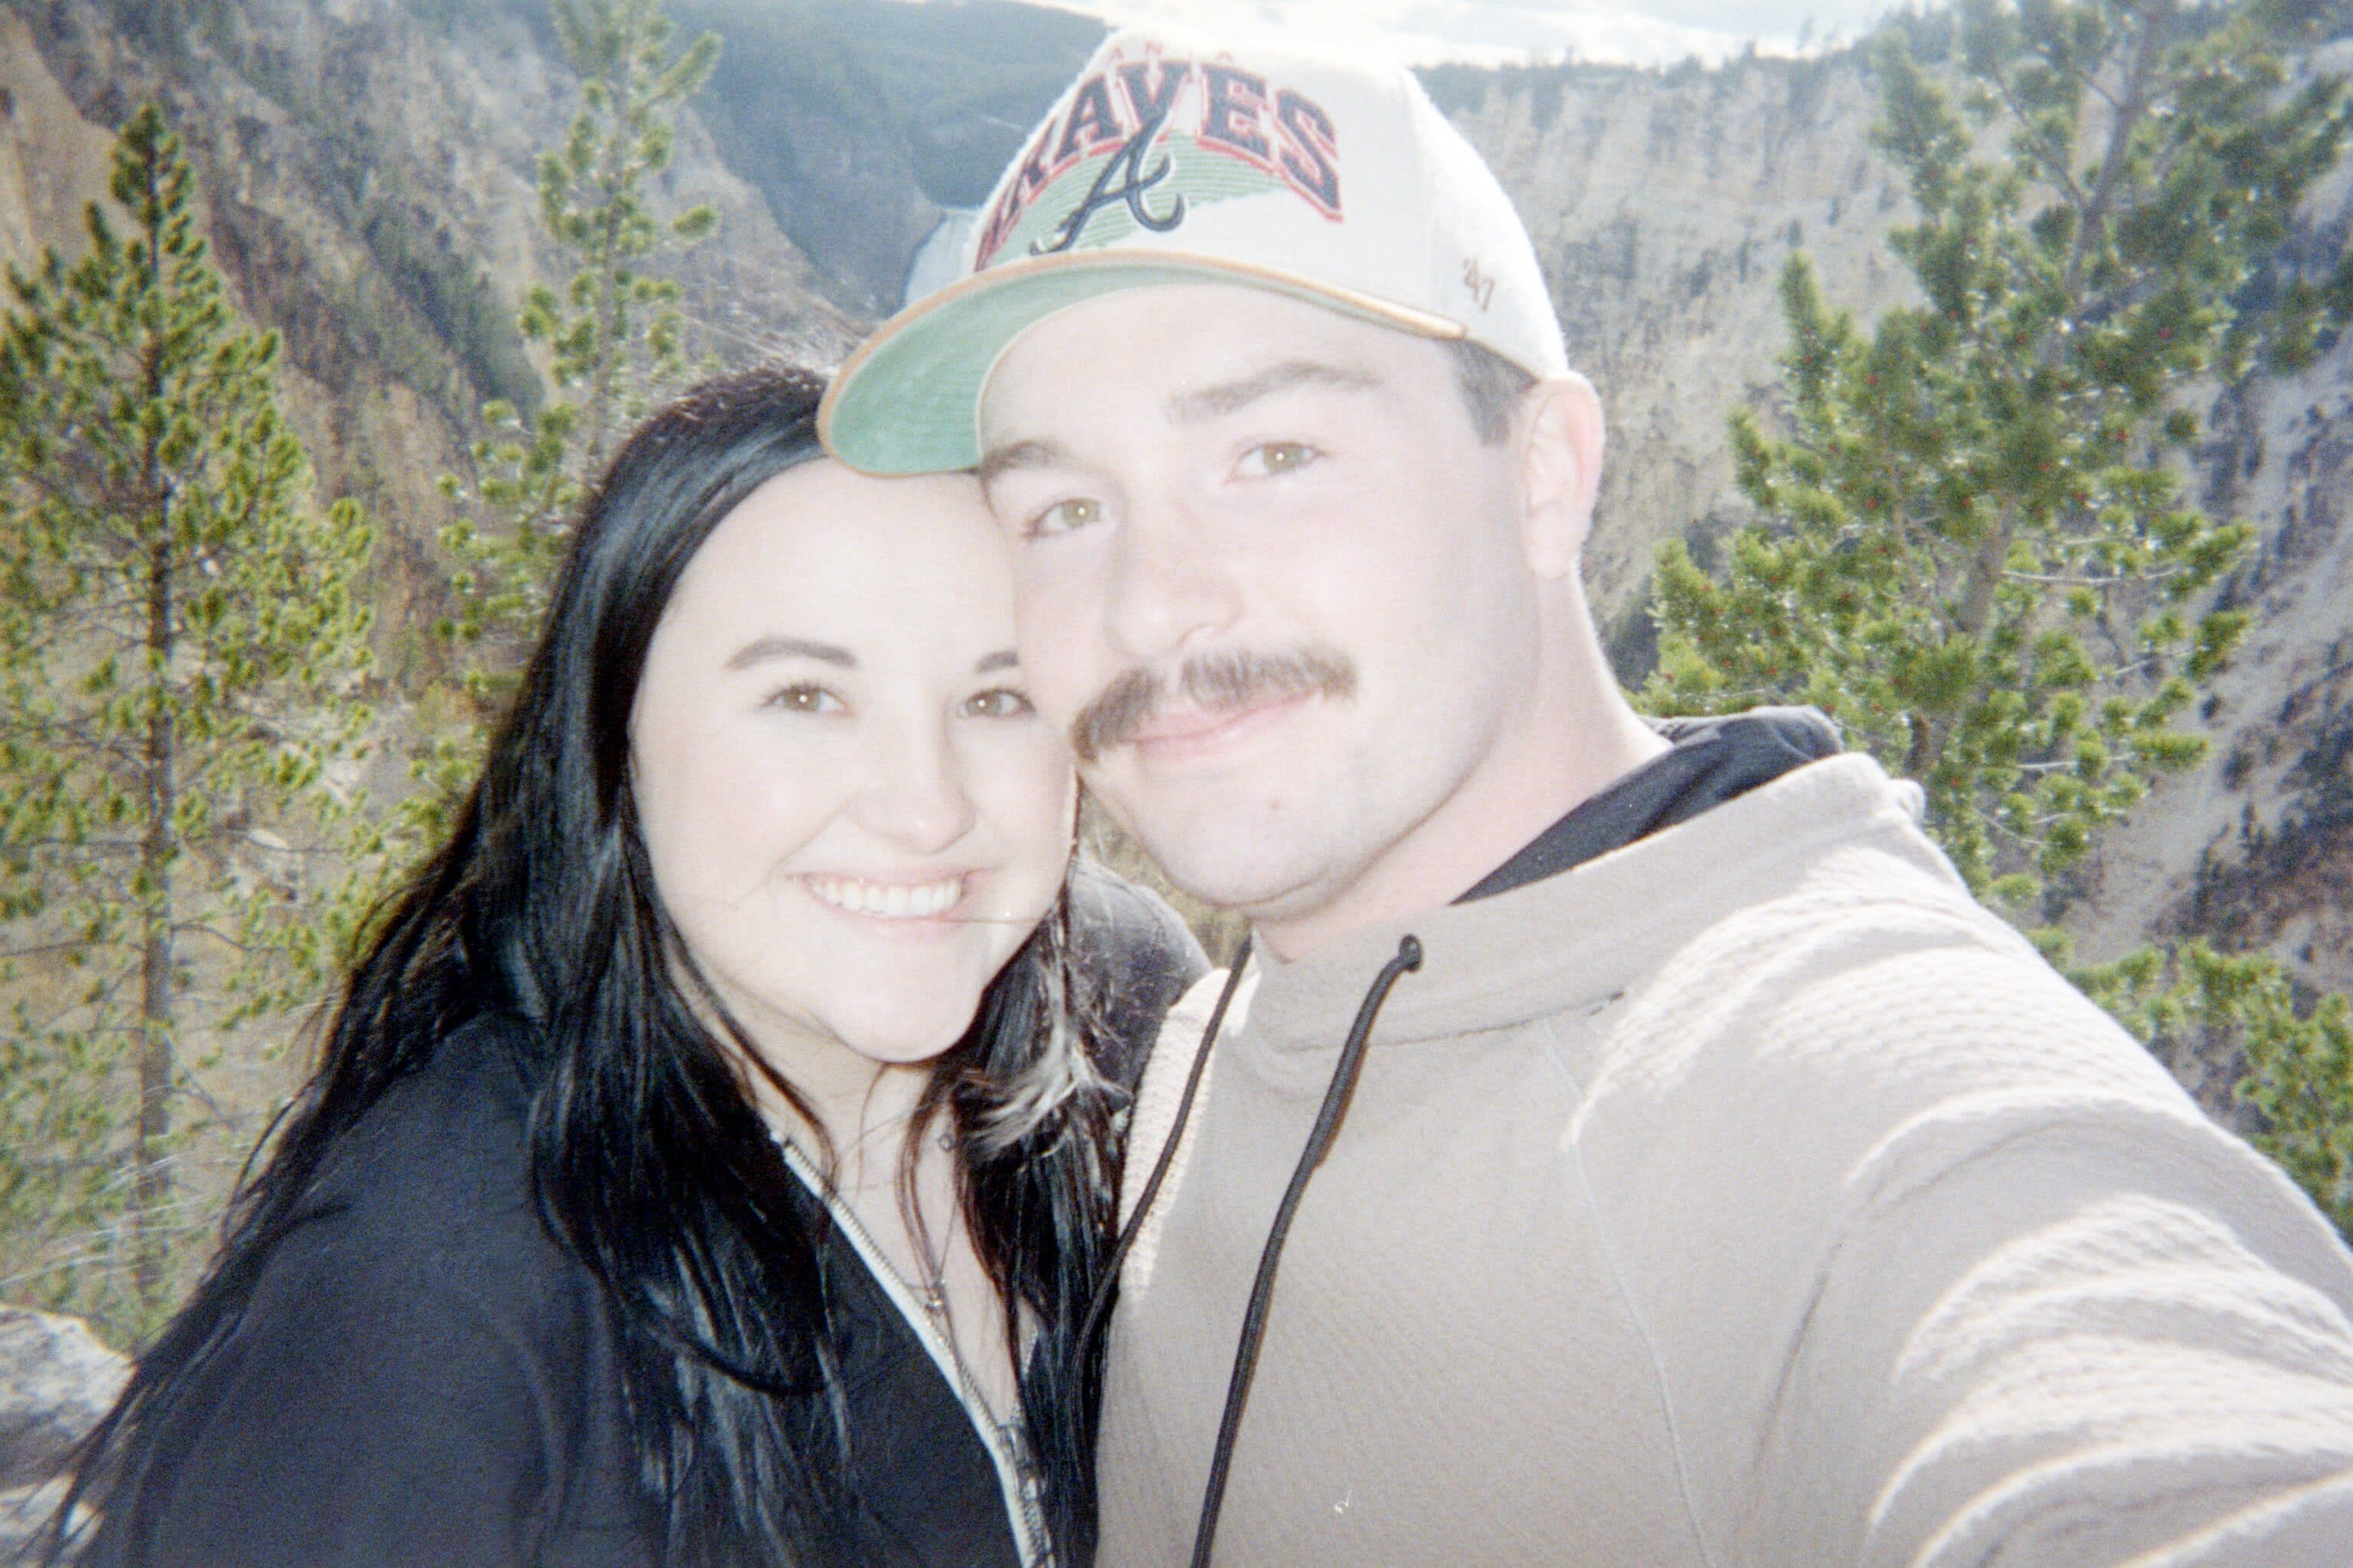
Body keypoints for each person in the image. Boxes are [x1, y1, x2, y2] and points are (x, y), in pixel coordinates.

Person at [817, 27, 2353, 1568]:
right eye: (1066, 507)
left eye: (1273, 451)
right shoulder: (1207, 1045)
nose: (1152, 608)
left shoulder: (1840, 1094)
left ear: (1547, 471)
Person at [55, 364, 1204, 1568]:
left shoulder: (1131, 1019)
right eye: (806, 696)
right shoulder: (441, 1283)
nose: (926, 809)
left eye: (1000, 696)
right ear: (616, 741)